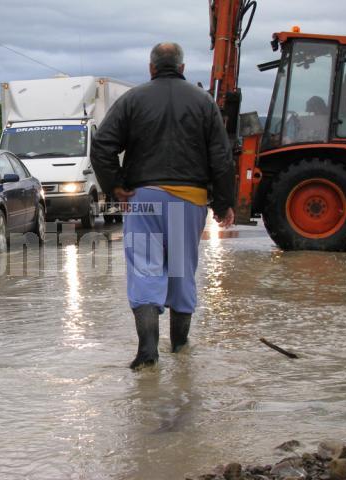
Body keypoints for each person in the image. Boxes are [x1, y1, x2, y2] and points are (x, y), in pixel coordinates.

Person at [90, 42, 235, 369]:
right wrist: (224, 202)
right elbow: (222, 158)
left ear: (151, 68)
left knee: (144, 269)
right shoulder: (204, 103)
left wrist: (115, 186)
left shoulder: (132, 100)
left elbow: (101, 146)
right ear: (182, 68)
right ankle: (181, 350)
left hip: (144, 199)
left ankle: (148, 353)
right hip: (190, 199)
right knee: (182, 271)